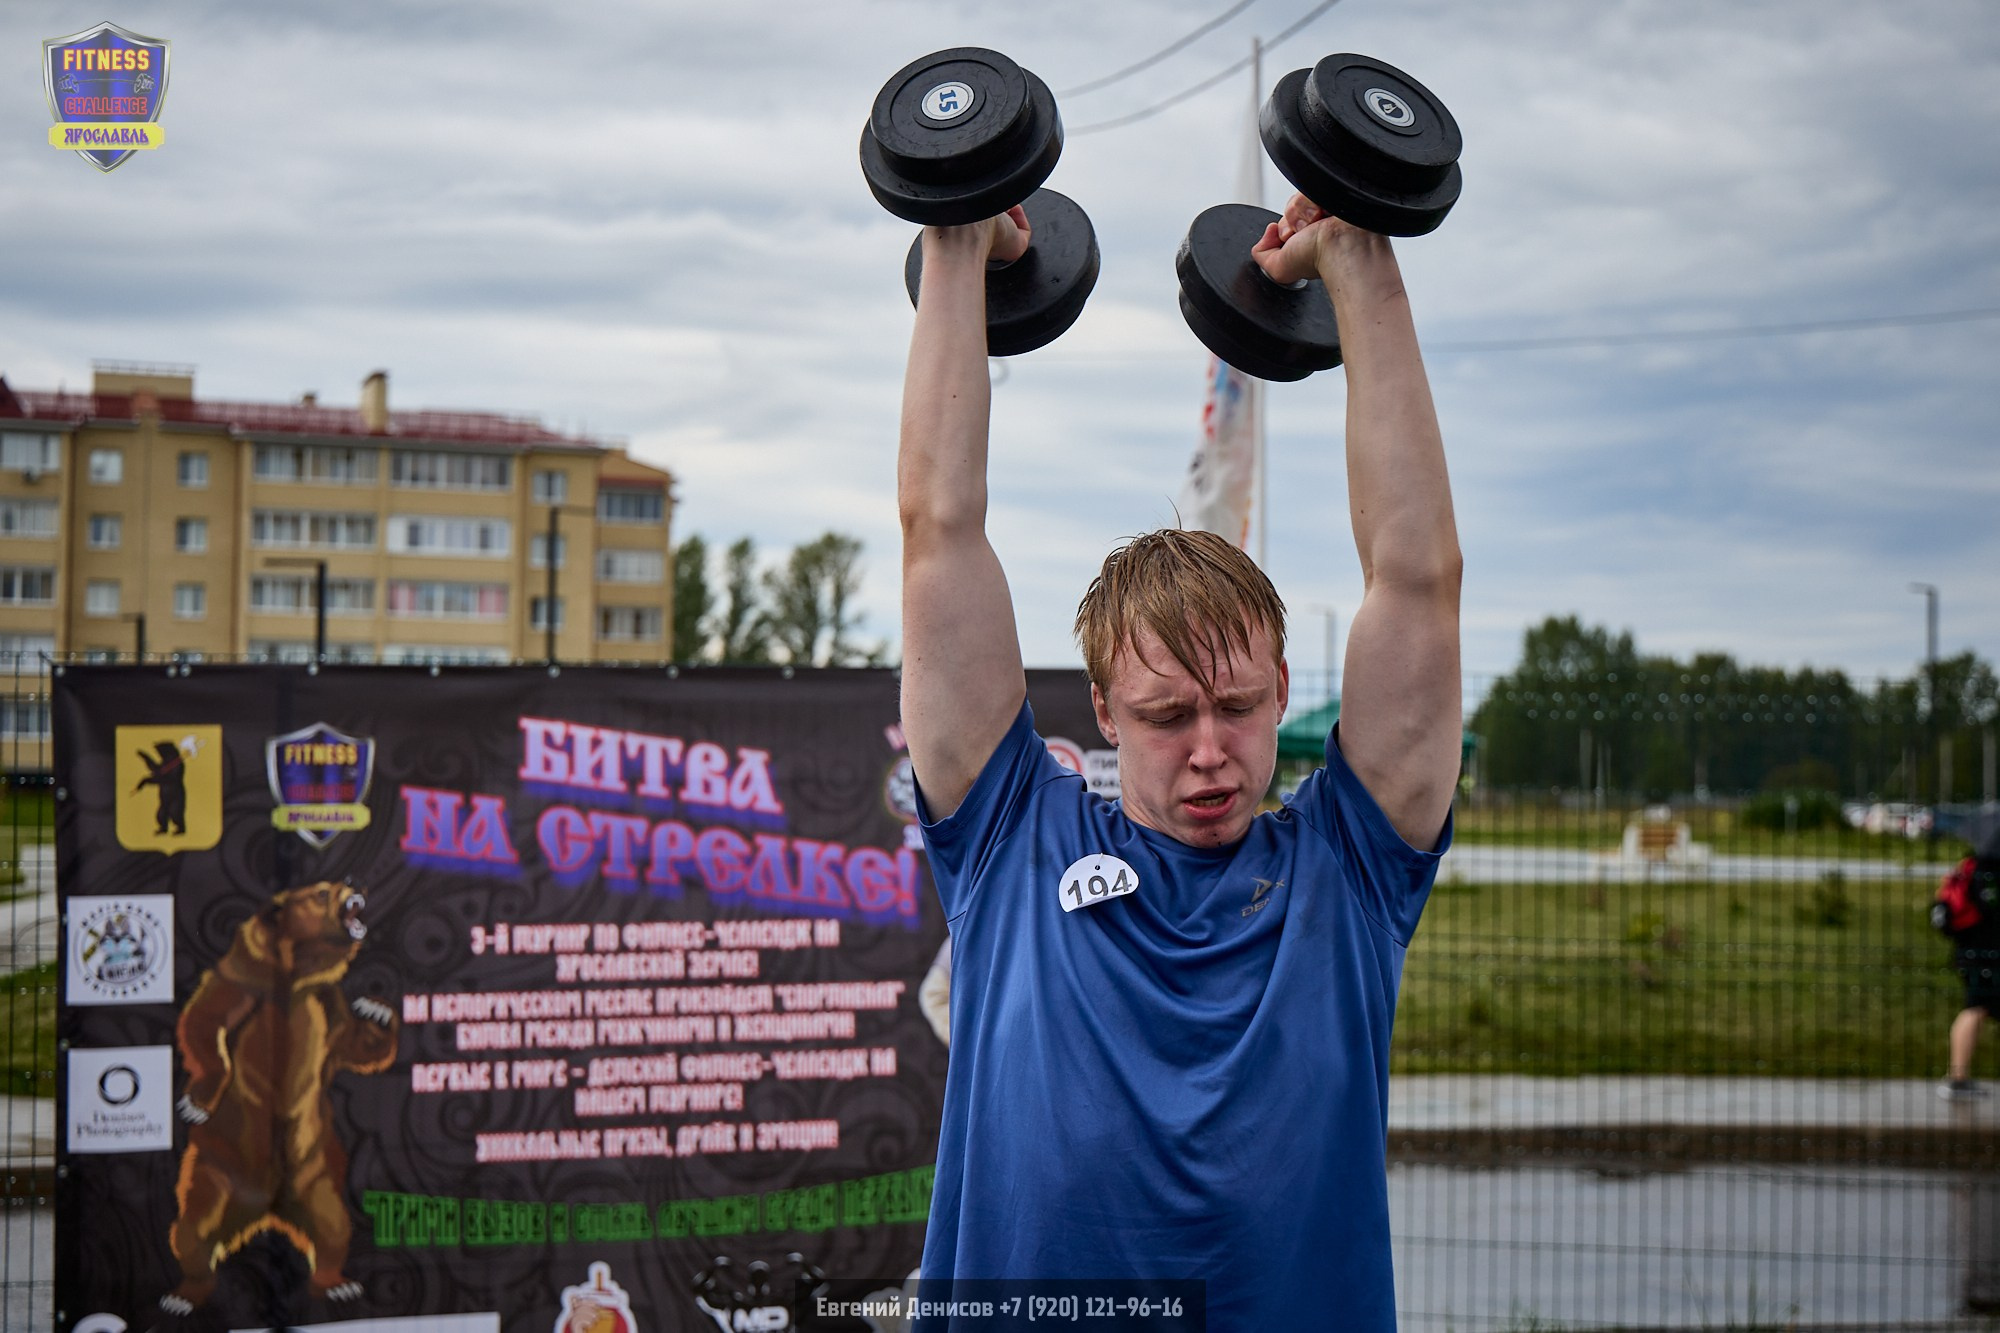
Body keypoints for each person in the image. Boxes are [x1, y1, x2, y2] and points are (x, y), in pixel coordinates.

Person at [896, 193, 1460, 1328]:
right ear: (1102, 709)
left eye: (1237, 707)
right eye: (1165, 715)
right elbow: (936, 529)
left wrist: (1359, 265)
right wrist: (957, 243)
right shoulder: (1010, 838)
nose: (1210, 751)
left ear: (1284, 696)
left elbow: (1417, 579)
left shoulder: (1347, 869)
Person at [1942, 854, 2000, 1099]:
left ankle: (1958, 1078)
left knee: (1979, 1006)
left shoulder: (1971, 865)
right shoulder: (1990, 872)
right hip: (1985, 954)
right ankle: (1957, 1079)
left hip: (1970, 950)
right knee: (1976, 1007)